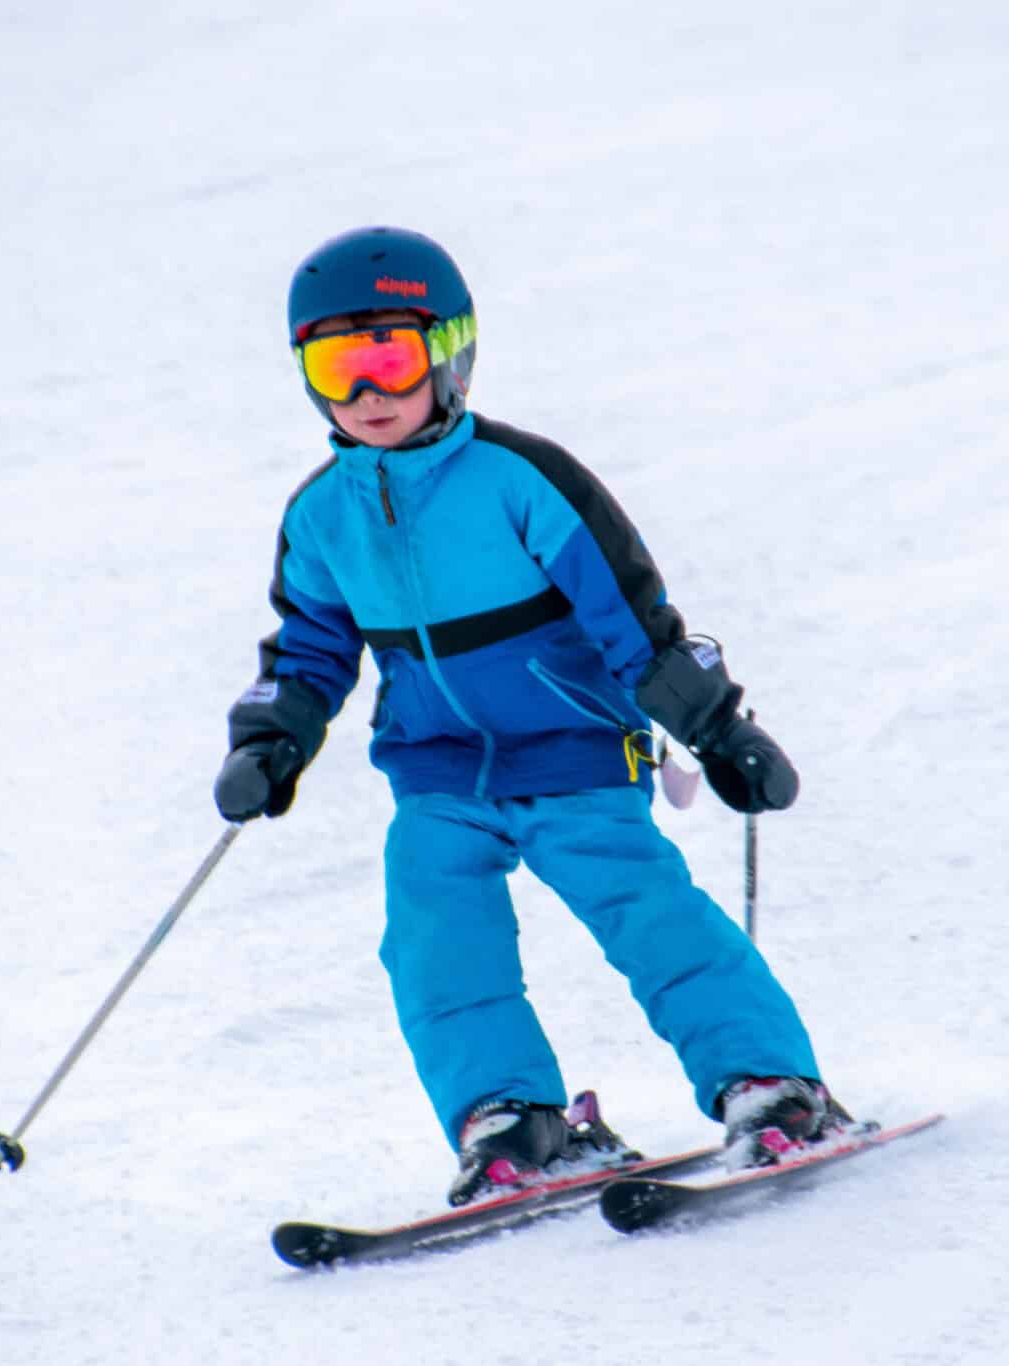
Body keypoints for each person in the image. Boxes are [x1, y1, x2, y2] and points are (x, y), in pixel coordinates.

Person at [216, 225, 856, 1205]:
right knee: (435, 937)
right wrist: (271, 740)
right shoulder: (319, 517)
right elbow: (306, 649)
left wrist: (719, 731)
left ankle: (770, 1083)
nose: (365, 393)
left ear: (449, 354)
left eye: (388, 358)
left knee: (652, 919)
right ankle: (510, 1116)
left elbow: (635, 626)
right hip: (437, 774)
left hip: (575, 754)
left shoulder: (522, 479)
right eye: (334, 367)